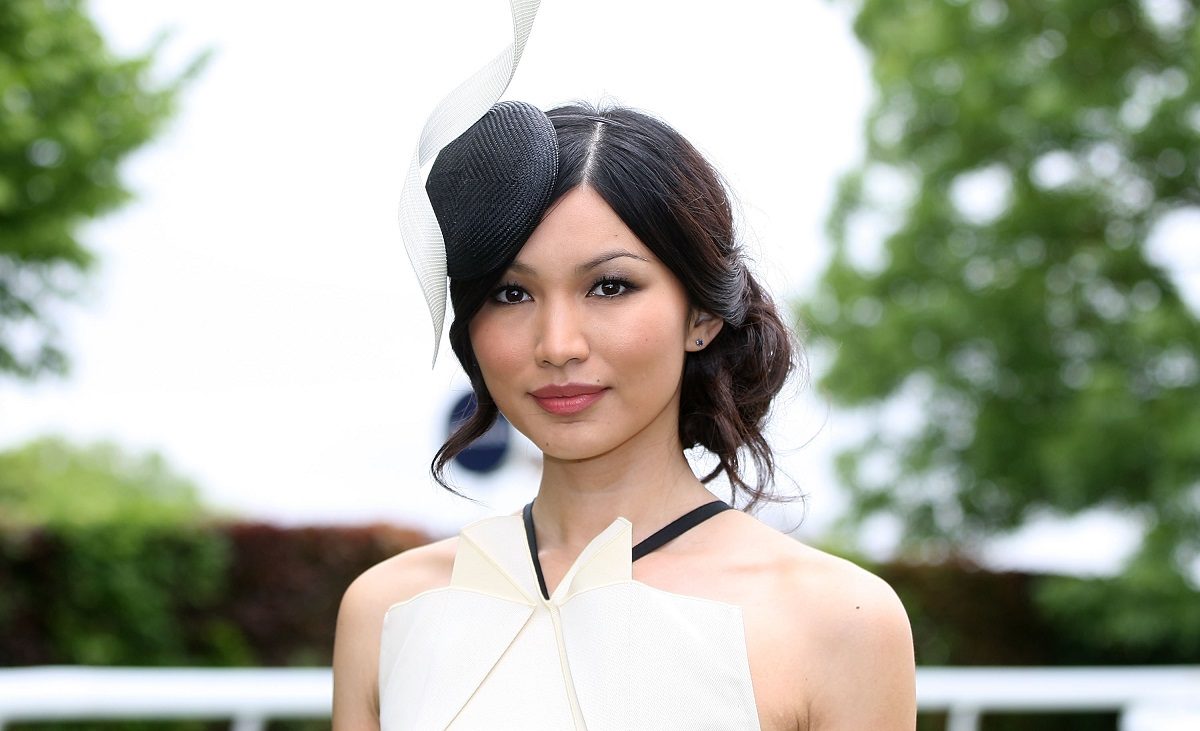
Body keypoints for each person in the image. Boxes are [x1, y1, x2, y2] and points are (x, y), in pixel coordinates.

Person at [333, 101, 916, 730]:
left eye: (609, 286)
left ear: (701, 315)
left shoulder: (835, 622)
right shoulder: (388, 610)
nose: (557, 344)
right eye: (511, 293)